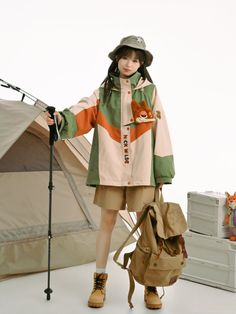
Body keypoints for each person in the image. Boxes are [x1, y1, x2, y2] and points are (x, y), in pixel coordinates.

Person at [45, 35, 175, 310]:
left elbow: (161, 131)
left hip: (143, 170)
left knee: (148, 230)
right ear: (117, 58)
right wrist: (59, 119)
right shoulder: (103, 93)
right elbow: (80, 112)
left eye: (136, 60)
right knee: (106, 224)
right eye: (126, 57)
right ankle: (99, 281)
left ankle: (150, 284)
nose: (130, 63)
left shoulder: (150, 91)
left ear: (142, 64)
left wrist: (162, 172)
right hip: (110, 169)